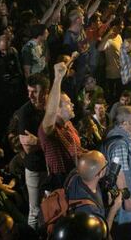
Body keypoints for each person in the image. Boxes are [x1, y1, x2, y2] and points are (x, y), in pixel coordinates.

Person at [8, 73, 49, 230]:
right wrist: (49, 143)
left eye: (35, 91)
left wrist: (39, 142)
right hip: (35, 169)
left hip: (50, 165)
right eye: (29, 91)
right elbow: (28, 148)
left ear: (46, 91)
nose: (30, 95)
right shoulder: (25, 113)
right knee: (35, 210)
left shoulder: (51, 107)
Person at [38, 62, 85, 190]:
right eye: (68, 103)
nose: (73, 105)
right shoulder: (47, 130)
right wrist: (58, 78)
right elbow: (51, 111)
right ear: (57, 110)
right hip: (60, 185)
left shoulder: (68, 124)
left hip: (75, 180)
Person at [101, 106, 131, 240]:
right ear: (125, 124)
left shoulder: (121, 137)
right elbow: (118, 172)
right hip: (124, 201)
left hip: (123, 198)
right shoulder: (120, 144)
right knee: (126, 233)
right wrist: (127, 199)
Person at [66, 151, 122, 232]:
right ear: (101, 173)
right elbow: (103, 234)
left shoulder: (74, 177)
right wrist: (114, 209)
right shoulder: (90, 209)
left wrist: (107, 205)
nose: (107, 164)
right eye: (105, 163)